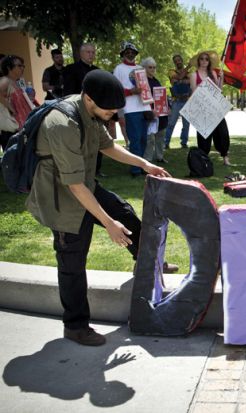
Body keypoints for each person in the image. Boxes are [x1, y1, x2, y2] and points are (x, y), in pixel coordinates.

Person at [25, 70, 177, 346]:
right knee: (72, 258)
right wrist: (107, 223)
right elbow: (73, 186)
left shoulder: (92, 113)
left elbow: (108, 147)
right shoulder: (62, 123)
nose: (113, 115)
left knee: (124, 213)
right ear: (89, 99)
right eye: (110, 111)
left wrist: (145, 164)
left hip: (82, 184)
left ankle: (147, 263)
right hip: (61, 197)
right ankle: (76, 325)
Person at [63, 43, 105, 176]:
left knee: (97, 140)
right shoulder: (71, 69)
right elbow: (68, 92)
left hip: (96, 111)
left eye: (93, 52)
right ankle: (80, 169)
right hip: (78, 110)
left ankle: (96, 169)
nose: (91, 55)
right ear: (81, 53)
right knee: (80, 141)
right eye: (88, 52)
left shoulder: (98, 71)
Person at [113, 41, 151, 177]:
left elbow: (146, 89)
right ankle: (136, 169)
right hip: (129, 109)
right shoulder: (119, 69)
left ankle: (142, 166)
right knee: (134, 140)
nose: (130, 54)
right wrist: (131, 92)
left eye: (132, 52)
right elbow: (116, 90)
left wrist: (149, 106)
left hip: (143, 107)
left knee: (143, 139)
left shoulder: (140, 68)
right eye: (127, 52)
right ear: (123, 54)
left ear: (136, 54)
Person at [189, 51, 231, 166]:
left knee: (222, 132)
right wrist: (201, 86)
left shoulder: (213, 73)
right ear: (198, 61)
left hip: (215, 108)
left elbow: (219, 90)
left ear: (209, 61)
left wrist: (221, 78)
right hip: (202, 108)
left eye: (206, 59)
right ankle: (203, 159)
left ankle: (225, 157)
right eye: (201, 59)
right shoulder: (194, 75)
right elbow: (193, 93)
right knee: (204, 135)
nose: (204, 61)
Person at [141, 57, 168, 164]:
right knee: (150, 137)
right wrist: (151, 110)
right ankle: (147, 159)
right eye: (150, 67)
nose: (152, 69)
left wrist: (167, 107)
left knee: (161, 136)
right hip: (149, 113)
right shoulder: (142, 81)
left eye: (154, 67)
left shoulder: (156, 80)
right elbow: (143, 98)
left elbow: (162, 96)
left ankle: (160, 157)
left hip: (161, 114)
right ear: (144, 68)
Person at [0, 55, 34, 130]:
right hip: (15, 128)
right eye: (19, 66)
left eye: (23, 66)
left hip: (25, 124)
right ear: (9, 68)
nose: (22, 68)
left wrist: (30, 96)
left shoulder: (17, 82)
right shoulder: (6, 80)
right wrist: (11, 109)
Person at [164, 54, 191, 149]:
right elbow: (176, 79)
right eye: (175, 60)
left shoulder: (189, 72)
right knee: (171, 123)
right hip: (176, 101)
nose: (177, 62)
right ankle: (166, 142)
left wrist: (181, 80)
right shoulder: (171, 71)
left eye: (179, 60)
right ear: (174, 62)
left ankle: (184, 142)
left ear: (182, 60)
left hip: (187, 100)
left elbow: (190, 82)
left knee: (186, 124)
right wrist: (184, 77)